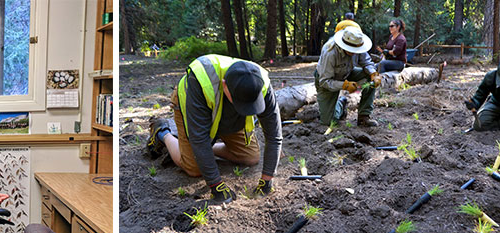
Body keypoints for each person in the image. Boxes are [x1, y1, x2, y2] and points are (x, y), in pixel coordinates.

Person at [146, 55, 283, 204]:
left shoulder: (260, 82)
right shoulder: (200, 80)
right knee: (194, 168)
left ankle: (202, 152)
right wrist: (216, 185)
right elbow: (200, 139)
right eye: (241, 103)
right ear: (225, 85)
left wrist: (267, 180)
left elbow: (274, 135)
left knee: (250, 158)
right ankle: (164, 132)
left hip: (228, 116)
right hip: (192, 107)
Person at [316, 27, 382, 127]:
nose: (355, 52)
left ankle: (364, 116)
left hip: (347, 72)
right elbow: (325, 81)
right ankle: (341, 104)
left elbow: (367, 62)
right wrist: (345, 85)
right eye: (352, 50)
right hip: (328, 79)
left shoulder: (358, 44)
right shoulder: (330, 52)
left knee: (368, 76)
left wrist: (373, 73)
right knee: (328, 122)